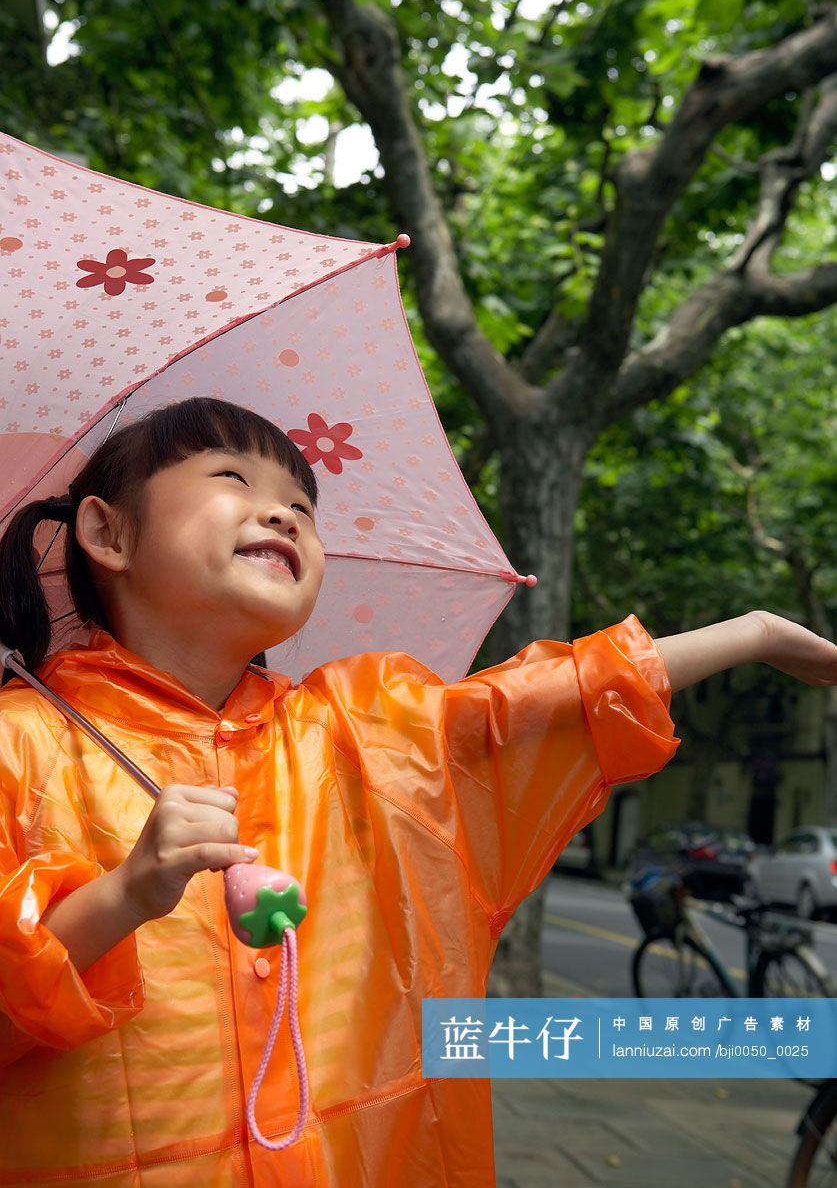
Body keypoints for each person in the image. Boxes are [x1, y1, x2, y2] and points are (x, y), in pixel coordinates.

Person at [0, 397, 833, 1188]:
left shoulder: (362, 731)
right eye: (232, 479)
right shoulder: (21, 744)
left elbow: (541, 704)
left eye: (303, 502)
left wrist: (751, 633)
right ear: (107, 530)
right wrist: (123, 897)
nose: (284, 512)